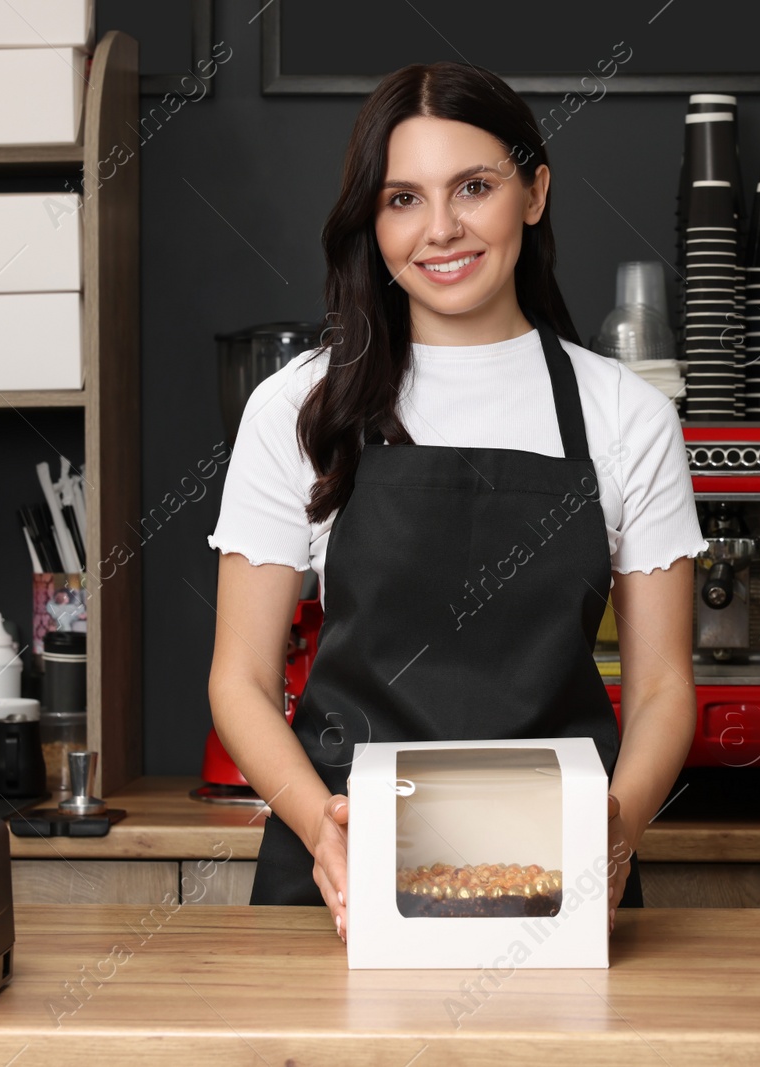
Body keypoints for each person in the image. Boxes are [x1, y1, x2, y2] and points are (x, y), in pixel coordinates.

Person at [207, 60, 705, 941]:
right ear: (373, 217)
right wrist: (322, 826)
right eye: (403, 198)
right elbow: (240, 680)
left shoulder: (628, 414)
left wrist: (615, 828)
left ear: (535, 192)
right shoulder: (298, 407)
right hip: (344, 875)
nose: (439, 230)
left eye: (473, 187)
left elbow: (665, 685)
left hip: (562, 873)